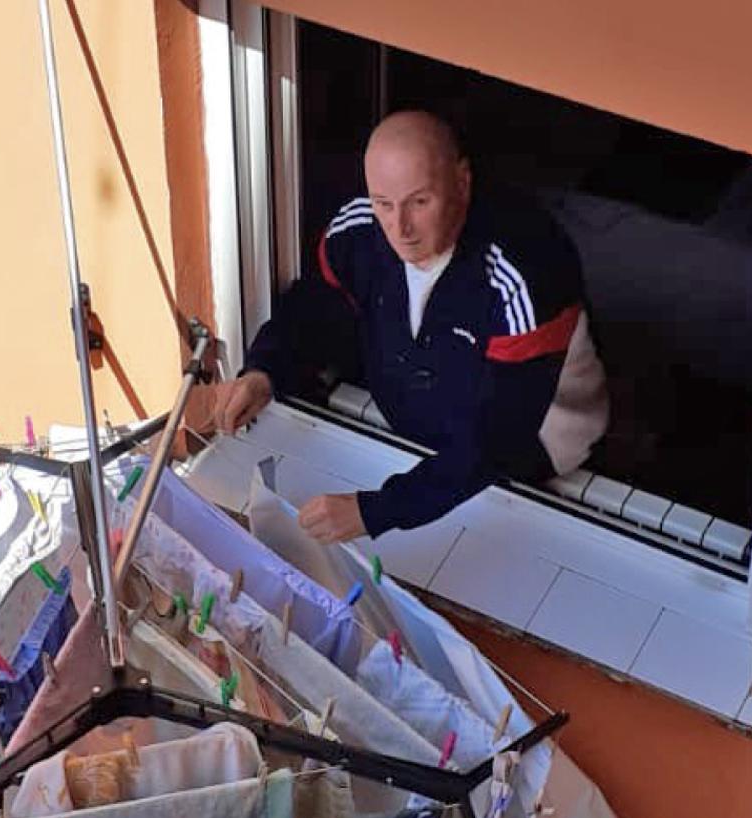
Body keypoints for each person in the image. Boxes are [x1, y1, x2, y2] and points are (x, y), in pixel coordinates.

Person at [209, 110, 609, 543]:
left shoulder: (525, 269)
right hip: (415, 437)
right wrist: (264, 371)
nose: (400, 228)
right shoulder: (360, 228)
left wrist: (378, 511)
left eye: (420, 202)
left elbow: (498, 440)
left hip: (535, 449)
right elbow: (314, 309)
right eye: (384, 203)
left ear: (462, 181)